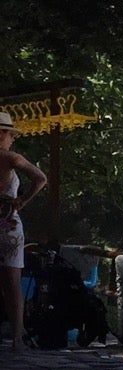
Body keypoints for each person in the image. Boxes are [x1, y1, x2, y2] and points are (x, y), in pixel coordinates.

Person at [0, 111, 49, 351]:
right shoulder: (10, 158)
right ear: (2, 134)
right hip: (6, 223)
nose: (12, 139)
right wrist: (21, 201)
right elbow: (40, 178)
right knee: (12, 283)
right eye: (10, 134)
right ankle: (17, 340)